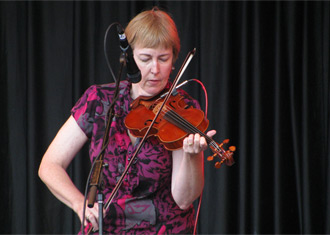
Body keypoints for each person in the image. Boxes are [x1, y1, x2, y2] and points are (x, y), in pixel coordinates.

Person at [39, 7, 216, 234]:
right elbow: (50, 164)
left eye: (164, 58)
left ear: (174, 59)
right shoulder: (100, 101)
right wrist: (77, 202)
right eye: (145, 58)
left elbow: (183, 200)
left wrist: (192, 156)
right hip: (106, 228)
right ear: (129, 58)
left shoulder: (183, 110)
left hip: (165, 229)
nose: (155, 69)